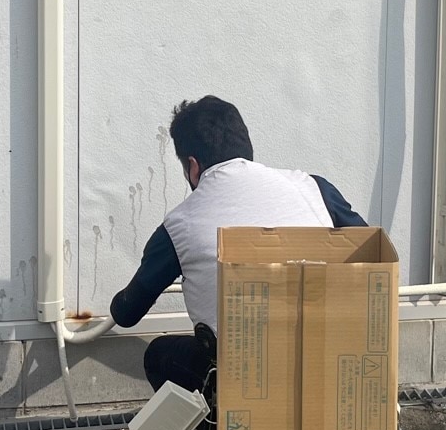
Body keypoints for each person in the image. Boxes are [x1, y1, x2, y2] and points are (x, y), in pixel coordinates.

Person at [109, 96, 366, 393]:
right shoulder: (314, 187)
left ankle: (219, 419)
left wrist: (118, 304)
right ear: (246, 147)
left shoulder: (178, 226)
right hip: (333, 361)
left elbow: (127, 314)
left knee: (159, 355)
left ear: (193, 166)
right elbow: (370, 251)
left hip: (248, 377)